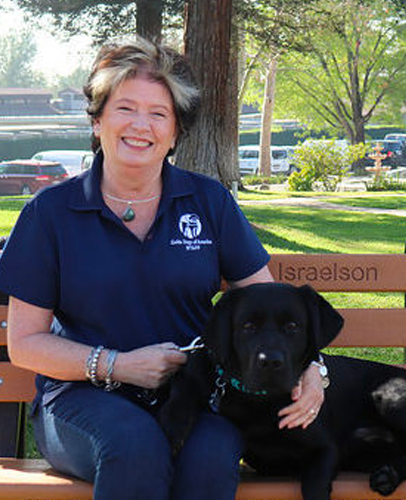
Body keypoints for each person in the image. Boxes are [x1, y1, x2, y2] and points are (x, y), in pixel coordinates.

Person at [0, 37, 325, 500]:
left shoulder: (208, 201)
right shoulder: (50, 213)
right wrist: (119, 366)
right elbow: (26, 343)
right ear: (98, 121)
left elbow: (272, 304)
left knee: (213, 450)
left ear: (175, 132)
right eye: (125, 108)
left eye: (158, 114)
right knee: (135, 445)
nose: (141, 125)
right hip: (79, 399)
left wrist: (313, 368)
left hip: (193, 394)